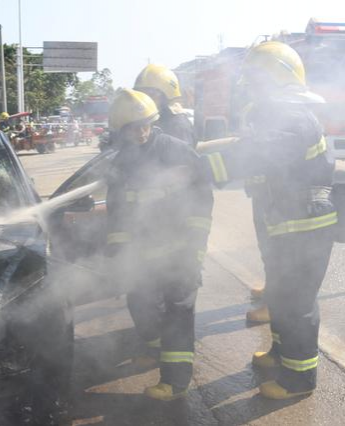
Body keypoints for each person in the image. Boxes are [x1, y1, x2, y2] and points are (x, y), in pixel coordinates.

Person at [200, 41, 337, 399]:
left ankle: (299, 380)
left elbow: (260, 155)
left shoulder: (296, 119)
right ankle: (281, 354)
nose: (251, 87)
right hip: (284, 227)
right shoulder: (280, 116)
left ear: (279, 79)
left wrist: (204, 167)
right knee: (279, 295)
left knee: (297, 302)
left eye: (258, 80)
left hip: (305, 228)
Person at [104, 88, 213, 401]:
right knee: (139, 301)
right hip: (143, 254)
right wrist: (117, 250)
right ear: (121, 131)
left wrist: (196, 248)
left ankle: (175, 382)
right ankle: (153, 352)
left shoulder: (174, 150)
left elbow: (202, 196)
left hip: (180, 251)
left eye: (145, 125)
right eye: (133, 127)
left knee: (178, 311)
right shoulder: (122, 162)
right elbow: (118, 211)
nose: (141, 132)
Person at [128, 64, 212, 366]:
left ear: (166, 95)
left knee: (169, 290)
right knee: (146, 289)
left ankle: (164, 352)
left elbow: (184, 176)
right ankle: (155, 344)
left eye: (153, 93)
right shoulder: (144, 123)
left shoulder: (174, 125)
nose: (147, 98)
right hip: (150, 222)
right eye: (144, 93)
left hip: (172, 220)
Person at [134, 64, 196, 146]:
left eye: (151, 94)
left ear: (166, 97)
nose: (144, 99)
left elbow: (181, 157)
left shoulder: (177, 125)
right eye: (140, 94)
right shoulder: (145, 121)